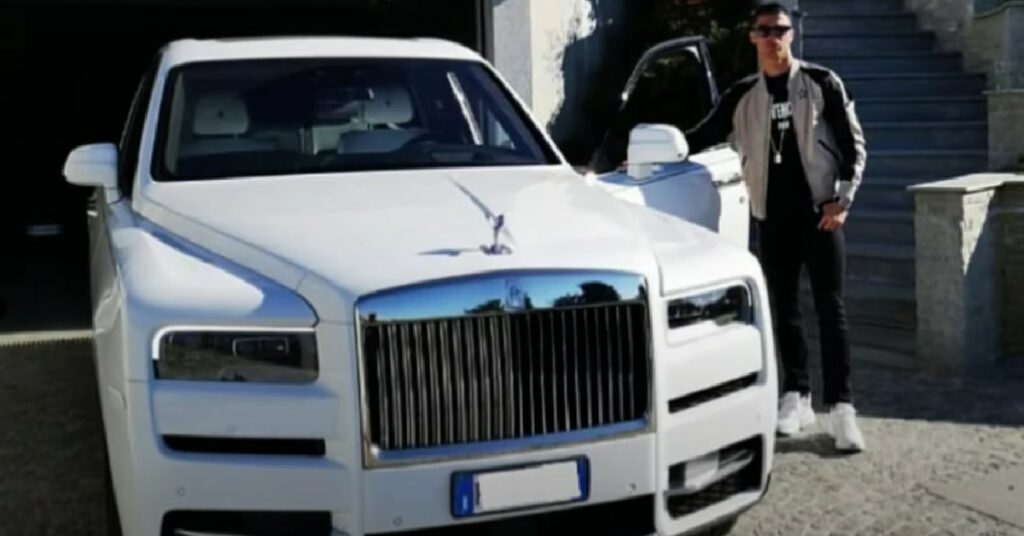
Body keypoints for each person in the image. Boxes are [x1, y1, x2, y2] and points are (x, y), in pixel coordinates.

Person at [686, 2, 867, 452]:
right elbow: (702, 134)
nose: (772, 38)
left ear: (792, 34)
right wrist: (655, 152)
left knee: (831, 310)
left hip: (820, 216)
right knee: (784, 309)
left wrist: (841, 200)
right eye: (763, 30)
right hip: (771, 218)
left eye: (780, 30)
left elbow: (852, 146)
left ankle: (842, 409)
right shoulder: (743, 94)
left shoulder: (821, 83)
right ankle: (797, 396)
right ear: (751, 37)